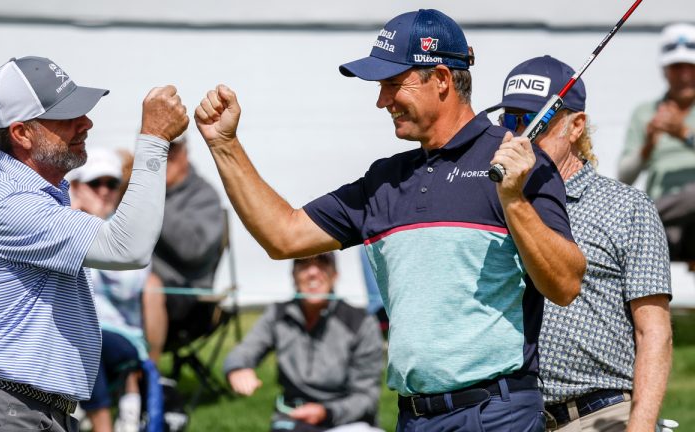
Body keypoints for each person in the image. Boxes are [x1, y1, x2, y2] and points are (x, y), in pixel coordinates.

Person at [194, 9, 586, 431]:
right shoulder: (384, 180)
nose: (382, 101)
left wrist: (513, 200)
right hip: (413, 417)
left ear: (440, 79)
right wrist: (224, 145)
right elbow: (283, 236)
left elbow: (565, 284)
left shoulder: (520, 162)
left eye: (392, 84)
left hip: (495, 414)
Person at [0, 56, 188, 432]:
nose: (86, 123)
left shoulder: (26, 195)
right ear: (21, 133)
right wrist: (154, 140)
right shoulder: (12, 203)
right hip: (9, 411)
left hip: (19, 408)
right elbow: (129, 247)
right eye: (66, 116)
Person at [490, 55, 672, 432]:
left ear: (576, 127)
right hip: (514, 416)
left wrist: (640, 426)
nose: (518, 134)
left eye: (535, 122)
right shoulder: (493, 201)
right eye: (510, 120)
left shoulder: (627, 207)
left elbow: (653, 330)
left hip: (600, 413)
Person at [223, 253, 384, 432]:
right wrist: (237, 367)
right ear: (293, 275)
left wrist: (326, 412)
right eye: (304, 264)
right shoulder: (278, 314)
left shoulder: (361, 322)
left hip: (346, 422)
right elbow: (246, 348)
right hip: (292, 418)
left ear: (335, 275)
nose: (313, 272)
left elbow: (366, 397)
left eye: (322, 263)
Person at [68, 148, 152, 432]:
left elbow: (127, 288)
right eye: (96, 183)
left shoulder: (125, 228)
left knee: (88, 341)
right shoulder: (62, 222)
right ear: (76, 188)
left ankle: (102, 426)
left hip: (123, 337)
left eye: (112, 184)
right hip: (72, 333)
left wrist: (92, 230)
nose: (104, 191)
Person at [142, 133, 224, 363]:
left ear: (185, 152)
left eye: (171, 151)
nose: (163, 158)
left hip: (188, 297)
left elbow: (193, 251)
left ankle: (149, 379)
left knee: (150, 286)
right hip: (137, 284)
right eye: (156, 151)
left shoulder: (205, 195)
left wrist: (152, 197)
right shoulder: (141, 188)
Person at [618, 23, 695, 263]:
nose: (684, 76)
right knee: (654, 244)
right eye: (676, 68)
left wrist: (683, 133)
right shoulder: (645, 113)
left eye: (690, 67)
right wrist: (648, 146)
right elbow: (624, 176)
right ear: (665, 71)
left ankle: (638, 218)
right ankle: (642, 219)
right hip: (665, 219)